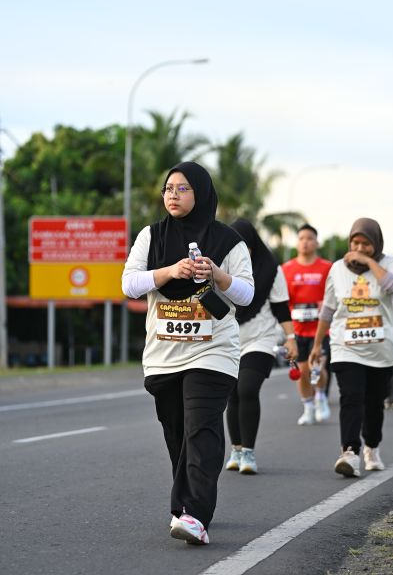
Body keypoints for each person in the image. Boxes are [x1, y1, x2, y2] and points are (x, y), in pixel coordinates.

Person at [121, 161, 254, 545]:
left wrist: (217, 275)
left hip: (213, 352)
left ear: (201, 193)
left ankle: (195, 515)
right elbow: (129, 284)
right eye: (169, 188)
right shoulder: (152, 236)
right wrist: (170, 272)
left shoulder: (228, 241)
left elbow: (246, 294)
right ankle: (185, 503)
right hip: (163, 354)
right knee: (177, 434)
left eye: (182, 189)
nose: (173, 195)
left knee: (201, 429)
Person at [309, 217, 393, 477]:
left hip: (382, 350)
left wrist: (370, 263)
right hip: (345, 346)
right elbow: (328, 309)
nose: (359, 248)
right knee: (351, 397)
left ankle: (372, 446)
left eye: (366, 244)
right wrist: (317, 344)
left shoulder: (390, 264)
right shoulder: (337, 268)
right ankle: (349, 452)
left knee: (374, 402)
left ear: (377, 244)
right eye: (355, 243)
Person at [225, 219, 298, 474]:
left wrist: (291, 338)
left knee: (247, 389)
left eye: (244, 245)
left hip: (261, 339)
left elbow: (281, 307)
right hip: (228, 340)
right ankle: (235, 449)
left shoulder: (271, 269)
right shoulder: (220, 267)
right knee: (232, 395)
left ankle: (248, 453)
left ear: (253, 245)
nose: (240, 251)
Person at [282, 224, 332, 425]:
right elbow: (282, 299)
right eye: (301, 238)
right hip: (297, 329)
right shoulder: (286, 269)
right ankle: (308, 407)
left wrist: (324, 304)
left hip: (321, 329)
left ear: (317, 243)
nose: (305, 242)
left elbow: (334, 295)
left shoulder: (327, 267)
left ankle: (320, 397)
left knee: (316, 367)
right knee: (302, 371)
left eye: (310, 238)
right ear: (297, 243)